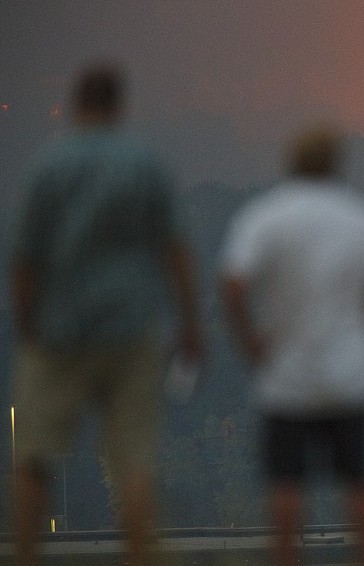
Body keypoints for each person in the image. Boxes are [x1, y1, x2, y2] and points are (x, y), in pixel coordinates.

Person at [10, 63, 203, 565]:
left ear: (76, 104)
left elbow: (24, 259)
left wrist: (27, 327)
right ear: (120, 106)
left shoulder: (48, 167)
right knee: (132, 462)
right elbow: (175, 252)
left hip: (58, 332)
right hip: (130, 332)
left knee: (34, 459)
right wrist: (189, 324)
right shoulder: (145, 165)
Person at [220, 126, 364, 566]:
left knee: (286, 485)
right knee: (360, 483)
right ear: (337, 163)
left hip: (287, 376)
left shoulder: (266, 217)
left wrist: (250, 342)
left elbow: (232, 284)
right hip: (350, 376)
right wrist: (361, 324)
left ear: (292, 162)